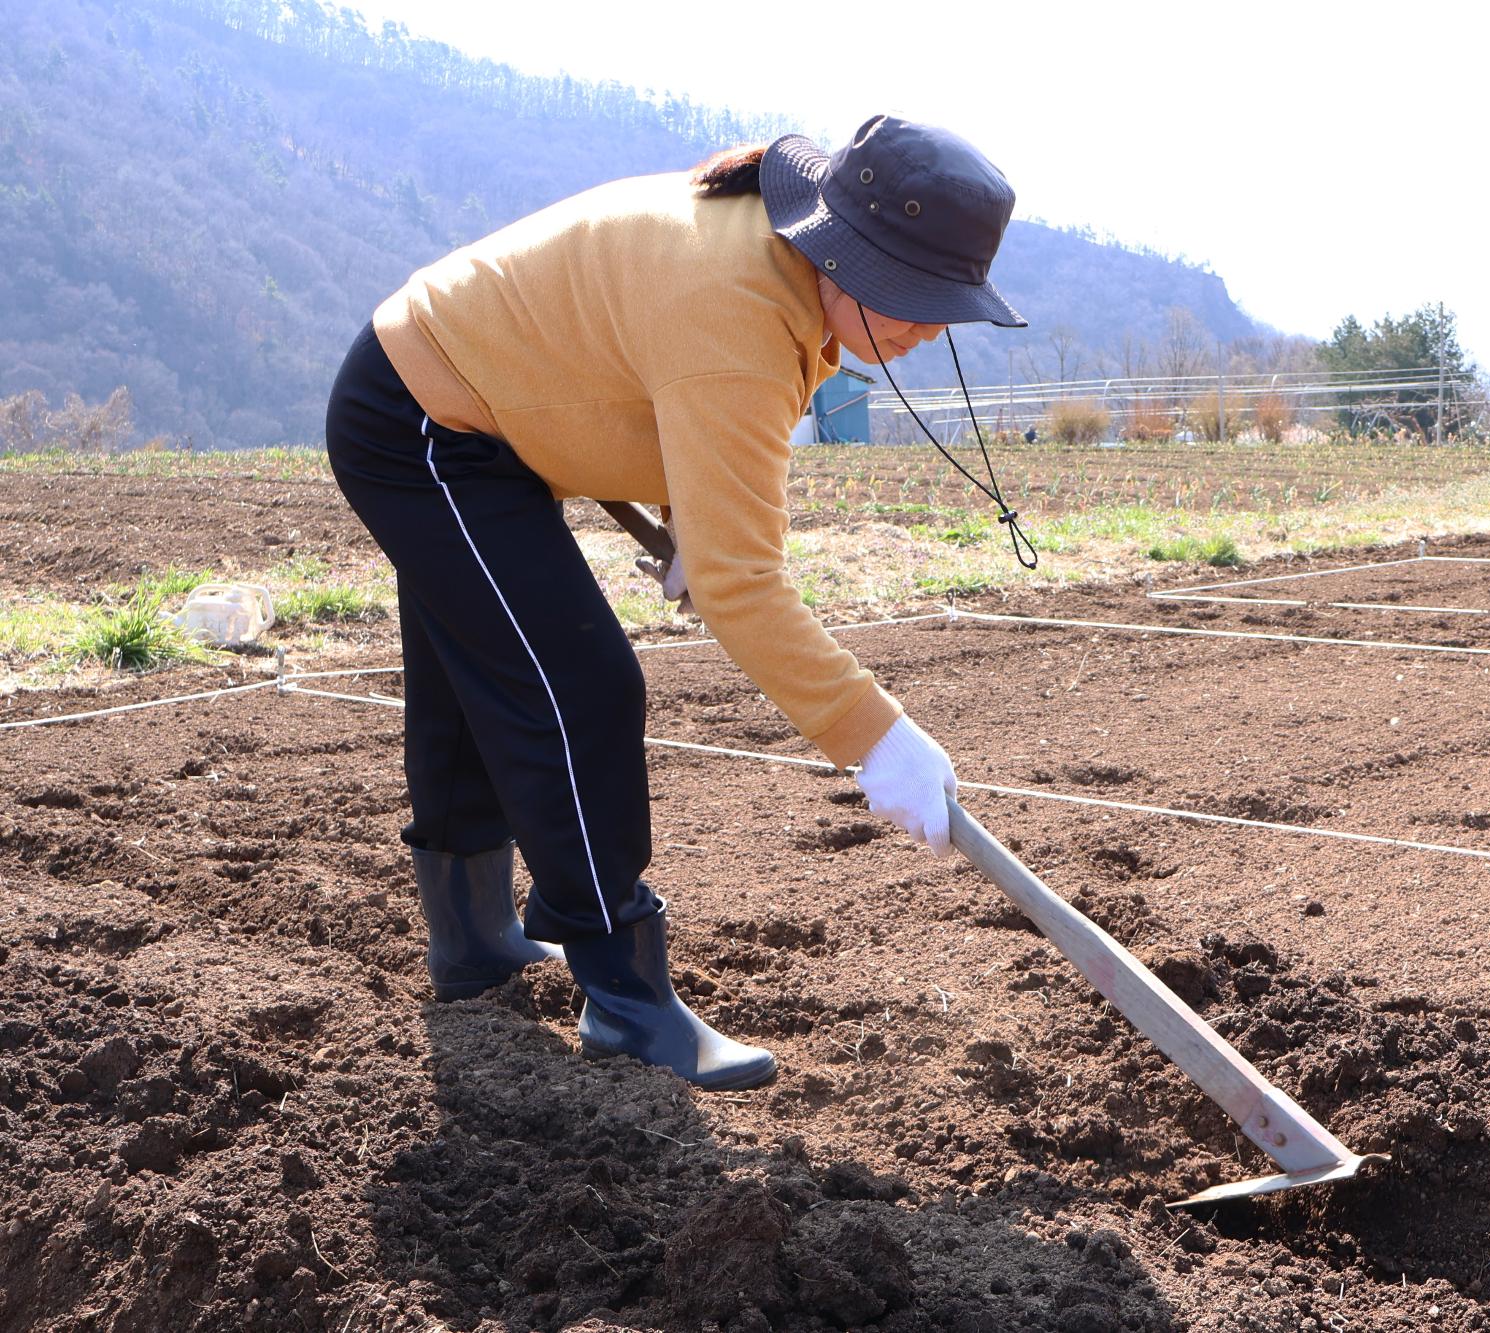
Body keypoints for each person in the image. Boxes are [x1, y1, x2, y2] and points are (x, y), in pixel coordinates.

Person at [323, 116, 1026, 1091]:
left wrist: (689, 512)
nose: (920, 331)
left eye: (940, 307)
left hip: (464, 400)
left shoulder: (781, 276)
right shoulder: (736, 305)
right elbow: (742, 582)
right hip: (422, 423)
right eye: (909, 298)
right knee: (580, 685)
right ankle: (623, 997)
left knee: (474, 671)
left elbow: (628, 367)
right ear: (842, 248)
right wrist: (876, 736)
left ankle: (474, 945)